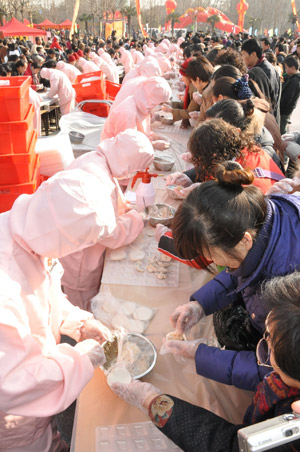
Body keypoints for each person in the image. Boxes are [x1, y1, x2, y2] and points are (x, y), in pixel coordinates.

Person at [110, 271, 300, 452]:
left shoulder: (291, 432)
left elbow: (228, 445)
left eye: (268, 345)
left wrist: (152, 401)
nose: (262, 344)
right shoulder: (284, 377)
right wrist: (199, 352)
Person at [0, 168, 120, 451]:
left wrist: (78, 323)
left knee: (50, 436)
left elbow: (47, 297)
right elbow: (12, 384)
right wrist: (81, 358)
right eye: (76, 244)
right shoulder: (5, 285)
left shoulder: (28, 231)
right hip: (15, 418)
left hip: (42, 381)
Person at [159, 162, 300, 393]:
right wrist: (200, 305)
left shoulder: (284, 291)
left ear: (244, 240)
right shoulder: (261, 216)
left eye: (210, 254)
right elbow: (242, 271)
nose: (212, 262)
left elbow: (273, 368)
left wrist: (200, 356)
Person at [60, 129, 154, 311]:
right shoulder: (95, 180)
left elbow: (113, 194)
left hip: (79, 244)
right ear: (128, 162)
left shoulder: (96, 160)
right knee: (84, 308)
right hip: (80, 260)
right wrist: (137, 219)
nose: (132, 173)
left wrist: (127, 209)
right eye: (134, 169)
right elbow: (110, 233)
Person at [101, 76, 171, 141]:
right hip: (114, 152)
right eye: (159, 103)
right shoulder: (128, 113)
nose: (159, 107)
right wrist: (152, 145)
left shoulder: (142, 104)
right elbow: (127, 145)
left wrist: (153, 136)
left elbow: (141, 132)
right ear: (152, 99)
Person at [241, 38, 281, 123]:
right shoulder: (256, 67)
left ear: (253, 54)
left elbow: (268, 99)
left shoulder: (267, 71)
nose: (242, 58)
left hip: (267, 119)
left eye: (243, 54)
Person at [161, 57, 200, 128]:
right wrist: (172, 104)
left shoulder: (195, 88)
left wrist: (170, 110)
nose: (182, 78)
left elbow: (190, 111)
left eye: (183, 76)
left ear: (189, 76)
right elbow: (189, 105)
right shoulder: (191, 86)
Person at [280, 56, 300, 134]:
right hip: (286, 109)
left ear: (293, 68)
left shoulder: (295, 81)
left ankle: (283, 143)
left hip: (285, 110)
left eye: (286, 67)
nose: (285, 70)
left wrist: (278, 103)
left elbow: (287, 99)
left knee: (282, 129)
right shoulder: (292, 77)